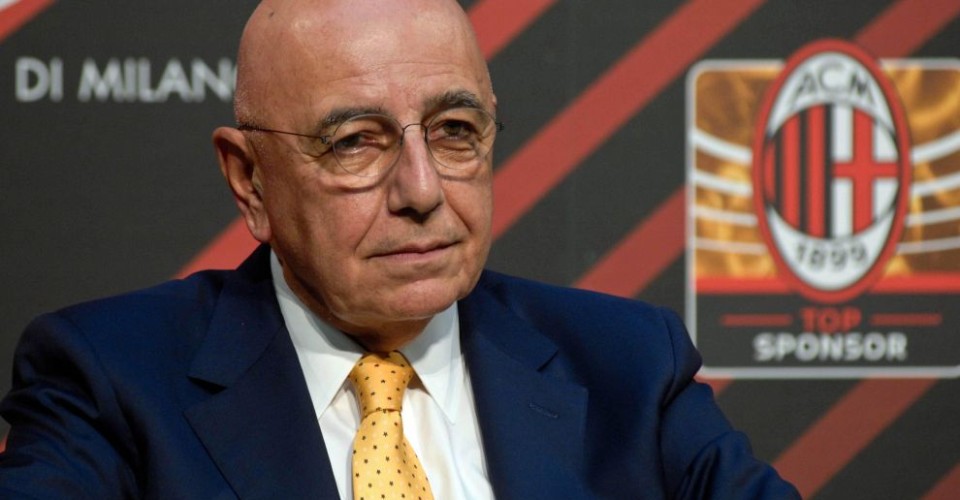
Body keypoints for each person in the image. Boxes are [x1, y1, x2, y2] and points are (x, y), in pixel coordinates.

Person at [0, 0, 800, 498]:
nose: (422, 190)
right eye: (355, 141)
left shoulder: (629, 366)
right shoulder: (111, 381)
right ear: (250, 180)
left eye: (455, 131)